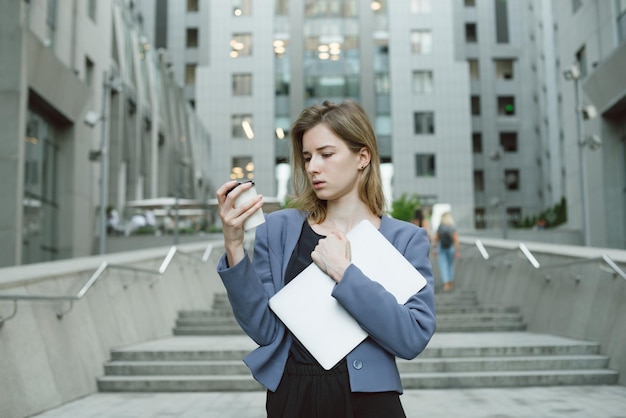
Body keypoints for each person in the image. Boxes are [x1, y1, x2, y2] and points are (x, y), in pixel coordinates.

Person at [215, 100, 436, 418]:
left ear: (362, 157)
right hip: (292, 396)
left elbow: (413, 338)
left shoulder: (405, 239)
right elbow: (265, 331)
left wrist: (346, 274)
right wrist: (234, 246)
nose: (312, 167)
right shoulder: (278, 229)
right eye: (307, 157)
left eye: (326, 154)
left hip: (369, 401)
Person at [432, 211, 460, 291]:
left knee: (443, 265)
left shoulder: (440, 227)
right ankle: (450, 282)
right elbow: (456, 240)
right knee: (450, 265)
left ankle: (446, 284)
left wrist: (435, 249)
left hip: (441, 248)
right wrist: (457, 251)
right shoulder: (452, 226)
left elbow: (436, 239)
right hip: (451, 247)